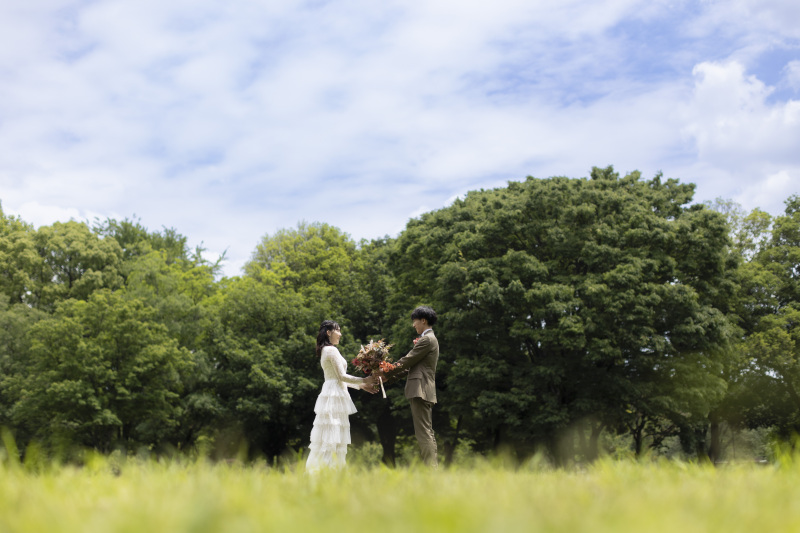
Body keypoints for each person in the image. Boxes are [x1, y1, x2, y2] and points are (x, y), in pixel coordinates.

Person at [306, 320, 377, 473]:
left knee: (331, 437)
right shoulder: (331, 350)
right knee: (332, 438)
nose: (340, 334)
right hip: (334, 396)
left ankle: (327, 472)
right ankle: (327, 473)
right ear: (328, 333)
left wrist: (361, 386)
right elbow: (341, 376)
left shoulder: (326, 350)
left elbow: (338, 378)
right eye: (338, 330)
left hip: (333, 391)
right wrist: (365, 380)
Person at [380, 306, 439, 467]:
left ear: (423, 321)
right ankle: (433, 469)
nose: (414, 325)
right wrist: (388, 377)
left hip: (421, 389)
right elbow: (409, 367)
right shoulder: (429, 339)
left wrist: (385, 371)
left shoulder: (427, 339)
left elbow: (407, 360)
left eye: (415, 321)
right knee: (426, 431)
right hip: (424, 389)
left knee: (423, 433)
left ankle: (431, 471)